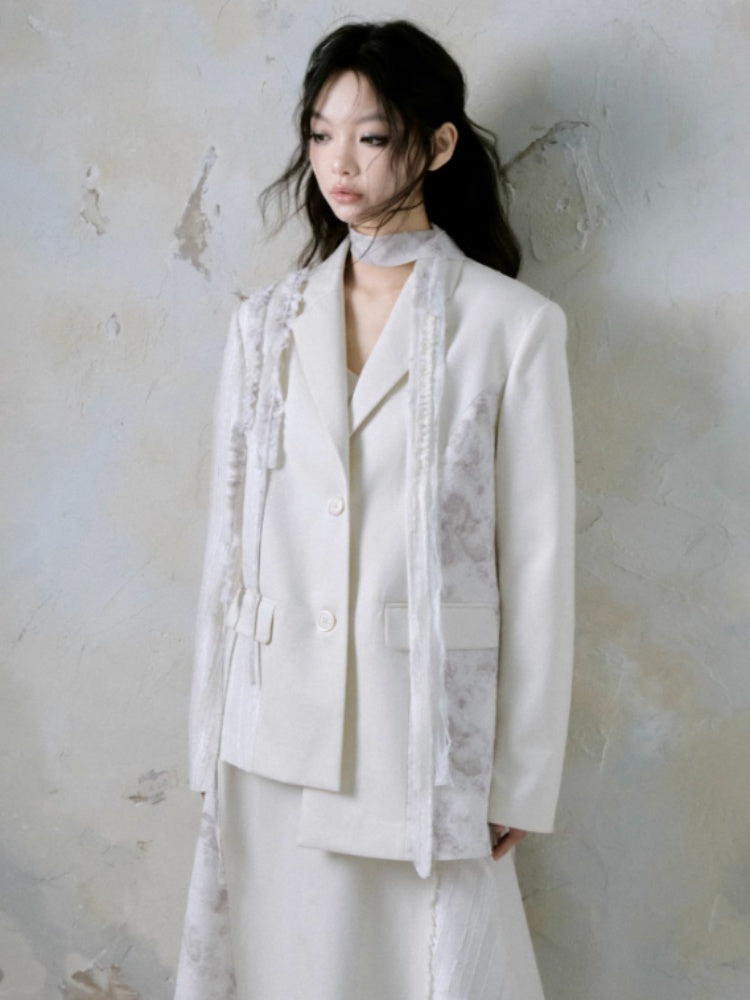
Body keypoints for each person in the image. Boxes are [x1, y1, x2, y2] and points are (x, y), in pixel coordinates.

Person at [174, 19, 574, 1000]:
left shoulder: (512, 328)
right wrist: (207, 735)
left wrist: (519, 777)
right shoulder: (265, 324)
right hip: (273, 734)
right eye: (320, 135)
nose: (338, 164)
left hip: (422, 737)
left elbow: (539, 564)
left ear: (436, 145)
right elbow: (229, 544)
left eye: (371, 136)